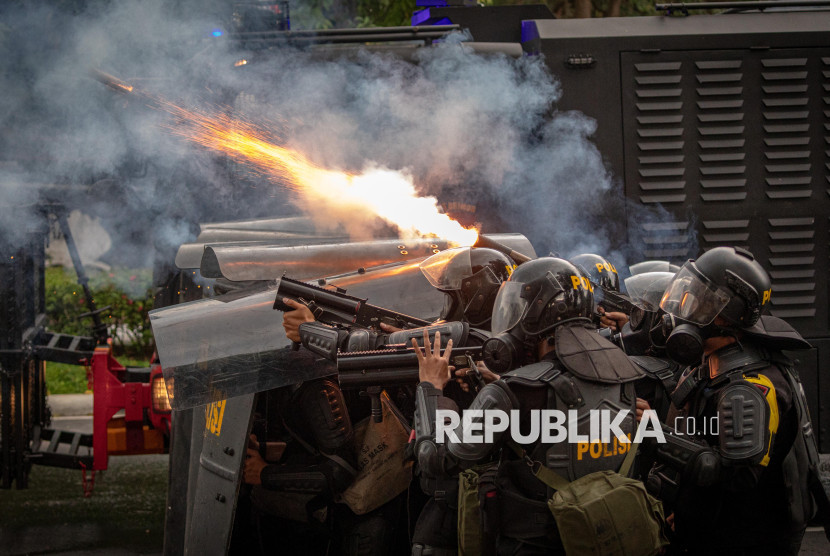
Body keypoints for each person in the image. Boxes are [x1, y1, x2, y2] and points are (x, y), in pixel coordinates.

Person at [412, 257, 644, 555]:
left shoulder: (512, 391)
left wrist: (431, 388)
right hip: (611, 539)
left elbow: (437, 458)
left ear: (534, 316)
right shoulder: (624, 375)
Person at [645, 246, 828, 555]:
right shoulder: (715, 364)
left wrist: (654, 435)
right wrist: (688, 512)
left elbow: (735, 475)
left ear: (726, 316)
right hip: (718, 530)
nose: (686, 306)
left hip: (747, 539)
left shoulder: (749, 387)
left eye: (698, 299)